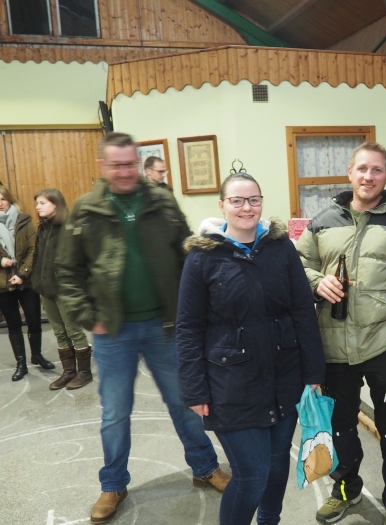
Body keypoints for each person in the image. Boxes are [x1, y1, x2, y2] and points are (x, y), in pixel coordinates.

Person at [55, 132, 230, 525]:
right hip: (112, 332)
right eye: (116, 165)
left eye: (130, 164)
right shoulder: (86, 210)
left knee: (185, 403)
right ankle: (113, 484)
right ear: (102, 166)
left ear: (138, 162)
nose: (124, 172)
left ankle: (204, 467)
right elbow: (67, 271)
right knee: (115, 413)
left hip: (165, 326)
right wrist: (89, 317)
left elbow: (187, 255)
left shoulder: (162, 201)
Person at [296, 142, 386, 525]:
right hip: (333, 346)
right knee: (340, 427)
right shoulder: (323, 221)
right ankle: (346, 490)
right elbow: (297, 266)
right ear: (350, 173)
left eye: (376, 170)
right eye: (362, 169)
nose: (368, 177)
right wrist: (317, 282)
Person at [177, 171, 326, 525]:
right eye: (237, 200)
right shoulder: (202, 257)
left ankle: (269, 521)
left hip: (283, 377)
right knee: (252, 475)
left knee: (276, 465)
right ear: (222, 206)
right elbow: (188, 328)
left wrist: (314, 373)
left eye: (254, 200)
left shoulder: (281, 248)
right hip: (231, 385)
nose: (247, 207)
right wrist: (194, 389)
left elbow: (303, 312)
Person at [33, 188, 93, 390]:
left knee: (73, 330)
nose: (37, 207)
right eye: (37, 203)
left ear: (56, 204)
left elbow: (80, 260)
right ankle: (68, 371)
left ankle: (84, 372)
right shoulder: (43, 228)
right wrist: (36, 280)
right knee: (59, 332)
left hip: (65, 289)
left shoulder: (70, 227)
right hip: (46, 288)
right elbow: (38, 257)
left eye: (42, 203)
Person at [0, 186, 54, 381]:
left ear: (9, 199)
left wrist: (22, 274)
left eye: (2, 199)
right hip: (3, 283)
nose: (0, 203)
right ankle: (21, 363)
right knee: (13, 324)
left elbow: (34, 249)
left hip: (27, 280)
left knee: (34, 320)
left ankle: (37, 355)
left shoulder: (24, 220)